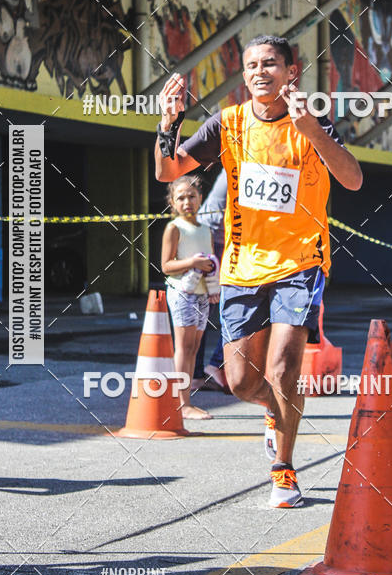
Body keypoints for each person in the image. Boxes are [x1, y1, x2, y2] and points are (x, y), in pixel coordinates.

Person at [155, 35, 362, 507]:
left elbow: (352, 179)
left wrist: (311, 128)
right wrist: (168, 124)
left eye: (271, 63)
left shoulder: (315, 121)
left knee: (284, 367)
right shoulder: (227, 124)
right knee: (243, 382)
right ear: (243, 75)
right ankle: (275, 410)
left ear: (293, 70)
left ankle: (284, 470)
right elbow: (168, 171)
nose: (259, 72)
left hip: (301, 262)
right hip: (243, 268)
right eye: (251, 65)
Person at [160, 174, 220, 420]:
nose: (187, 202)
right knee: (184, 348)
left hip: (202, 295)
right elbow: (166, 266)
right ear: (172, 202)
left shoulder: (206, 229)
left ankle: (185, 400)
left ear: (200, 198)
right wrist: (192, 263)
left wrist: (213, 285)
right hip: (182, 294)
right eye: (181, 198)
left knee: (194, 347)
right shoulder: (174, 228)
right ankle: (182, 404)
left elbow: (211, 262)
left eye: (192, 196)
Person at [193, 168, 230, 393]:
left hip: (220, 239)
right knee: (235, 304)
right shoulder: (245, 160)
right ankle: (210, 368)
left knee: (224, 307)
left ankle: (206, 369)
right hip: (215, 240)